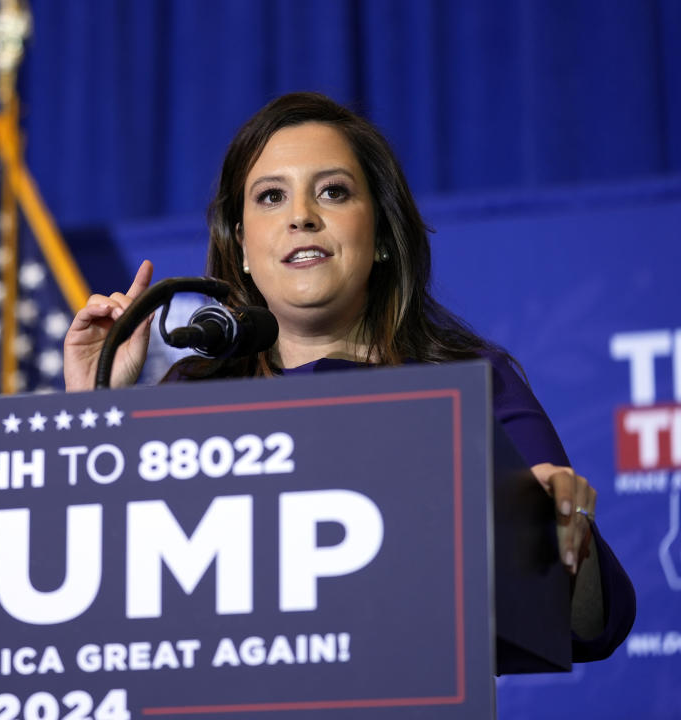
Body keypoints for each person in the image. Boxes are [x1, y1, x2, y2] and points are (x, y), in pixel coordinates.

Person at [63, 92, 634, 663]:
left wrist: (563, 530)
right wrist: (95, 412)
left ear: (383, 236)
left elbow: (586, 624)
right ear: (240, 247)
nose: (301, 215)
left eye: (332, 191)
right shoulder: (193, 395)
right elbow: (99, 603)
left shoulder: (471, 382)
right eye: (270, 197)